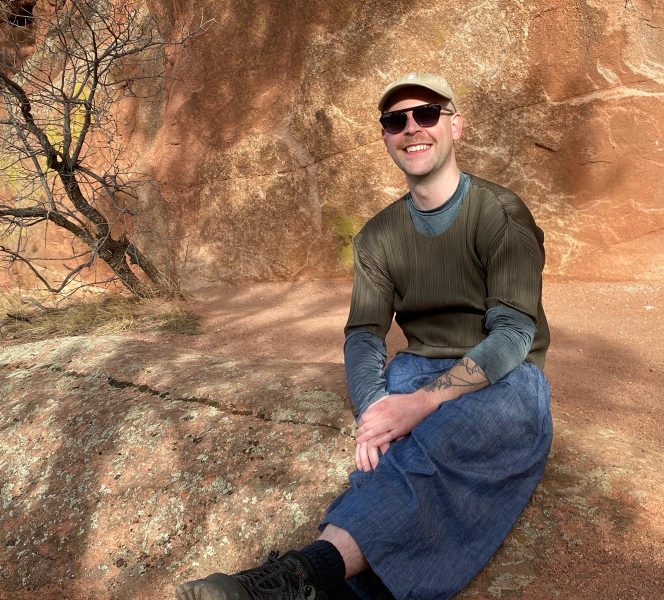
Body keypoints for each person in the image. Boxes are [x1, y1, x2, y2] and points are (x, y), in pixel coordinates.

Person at [176, 72, 553, 600]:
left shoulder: (500, 214)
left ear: (455, 126)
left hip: (504, 377)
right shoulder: (378, 236)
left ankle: (299, 575)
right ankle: (302, 582)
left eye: (427, 114)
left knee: (441, 443)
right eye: (396, 121)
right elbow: (363, 335)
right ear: (385, 137)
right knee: (384, 462)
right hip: (417, 366)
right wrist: (374, 408)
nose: (412, 128)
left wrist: (420, 404)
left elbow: (513, 333)